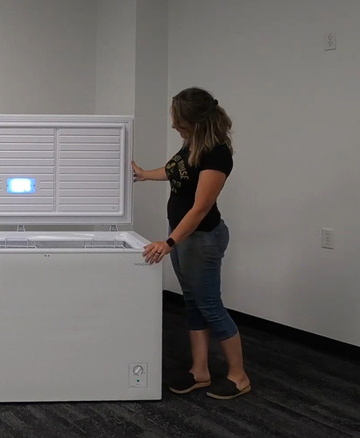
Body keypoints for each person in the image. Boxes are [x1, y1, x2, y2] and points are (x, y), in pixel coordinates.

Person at [131, 87, 251, 400]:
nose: (173, 126)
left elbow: (200, 208)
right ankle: (200, 372)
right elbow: (175, 173)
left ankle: (238, 376)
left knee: (210, 305)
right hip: (183, 235)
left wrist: (169, 242)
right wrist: (144, 175)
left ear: (196, 121)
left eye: (179, 121)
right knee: (192, 301)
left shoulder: (218, 153)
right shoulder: (192, 143)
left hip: (202, 239)